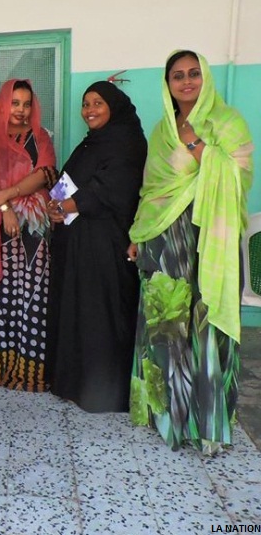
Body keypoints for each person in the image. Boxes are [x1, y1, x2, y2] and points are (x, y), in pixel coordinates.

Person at [128, 51, 253, 454]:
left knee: (205, 325)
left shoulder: (228, 122)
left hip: (210, 237)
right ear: (167, 84)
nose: (186, 82)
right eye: (177, 76)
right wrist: (138, 233)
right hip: (164, 238)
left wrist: (199, 144)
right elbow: (151, 190)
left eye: (194, 74)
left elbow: (239, 178)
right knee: (166, 326)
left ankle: (207, 424)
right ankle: (169, 417)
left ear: (206, 78)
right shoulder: (163, 129)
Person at [46, 81, 147, 413]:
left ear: (113, 106)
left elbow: (112, 188)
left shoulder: (127, 141)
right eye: (85, 103)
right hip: (77, 243)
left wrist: (69, 205)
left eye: (98, 103)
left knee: (100, 313)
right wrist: (55, 206)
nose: (89, 110)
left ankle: (103, 392)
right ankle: (74, 383)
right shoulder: (89, 144)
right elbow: (68, 178)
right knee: (77, 309)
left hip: (106, 243)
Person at [0, 79, 57, 390]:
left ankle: (27, 369)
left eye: (26, 104)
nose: (21, 110)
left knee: (29, 296)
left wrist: (8, 195)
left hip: (32, 233)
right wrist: (5, 208)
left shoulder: (40, 137)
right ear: (2, 104)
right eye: (15, 103)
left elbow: (45, 174)